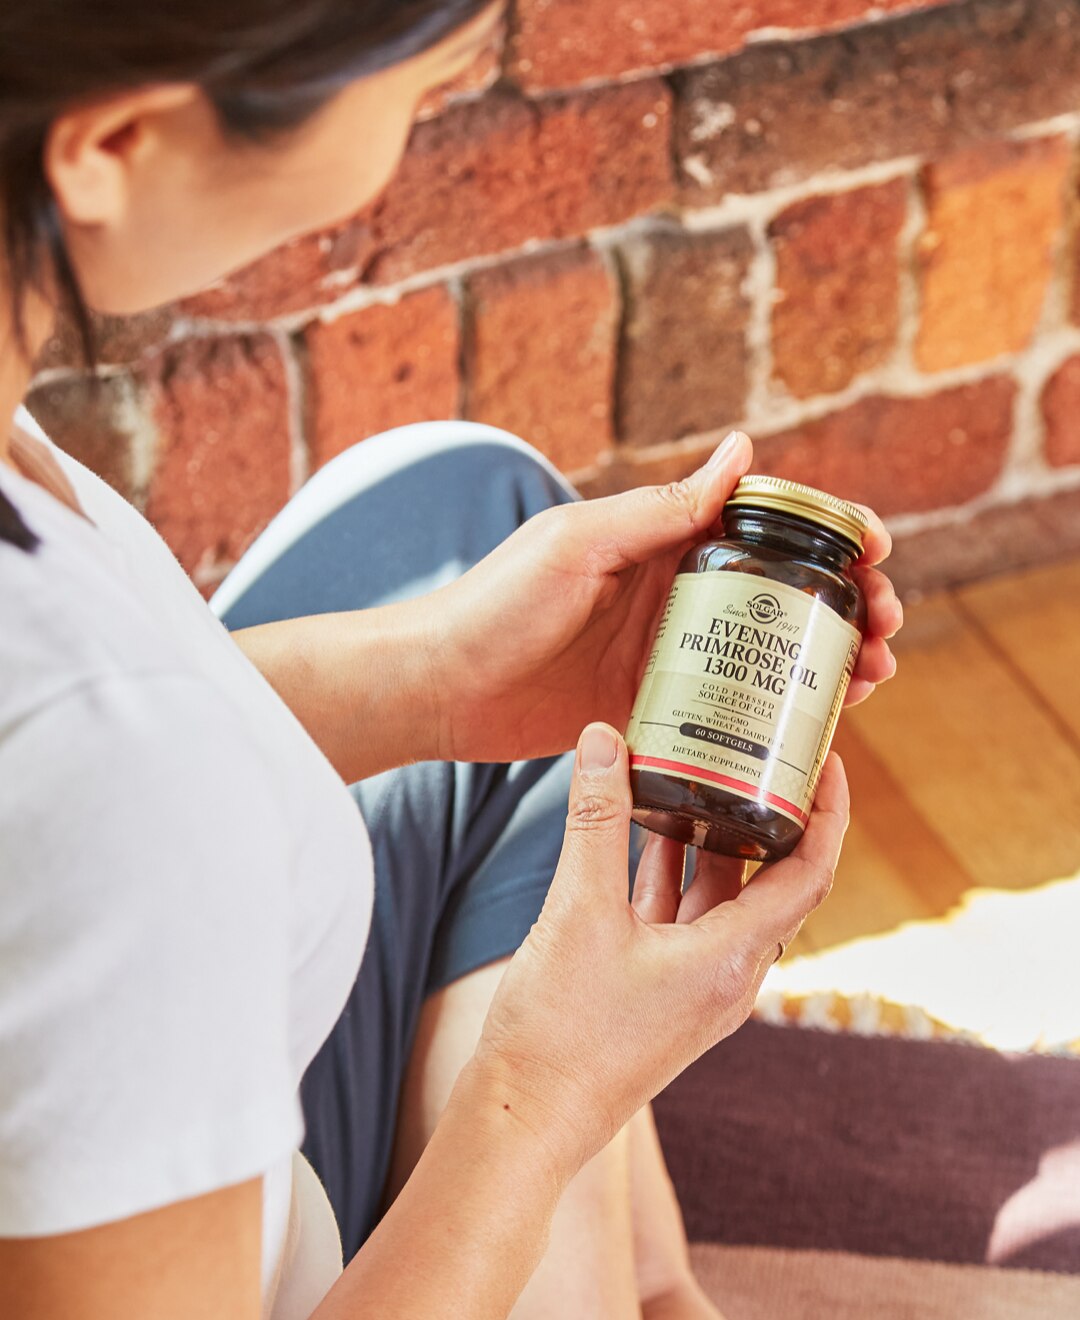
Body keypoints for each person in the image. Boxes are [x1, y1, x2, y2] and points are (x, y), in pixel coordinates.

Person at [0, 2, 903, 1317]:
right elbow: (92, 792)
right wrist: (539, 1098)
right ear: (113, 143)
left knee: (472, 497)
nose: (426, 117)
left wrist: (439, 677)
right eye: (416, 87)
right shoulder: (112, 773)